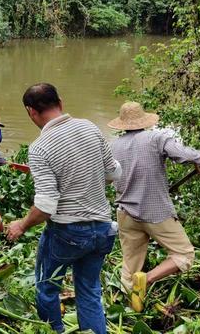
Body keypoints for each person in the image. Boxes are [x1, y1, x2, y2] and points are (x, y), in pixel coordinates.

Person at [7, 83, 121, 334]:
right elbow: (114, 172)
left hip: (67, 234)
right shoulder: (90, 127)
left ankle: (54, 331)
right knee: (90, 291)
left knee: (47, 288)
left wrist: (21, 225)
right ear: (61, 101)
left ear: (30, 112)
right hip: (102, 229)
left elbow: (46, 206)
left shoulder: (40, 147)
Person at [108, 101, 200, 312]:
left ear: (122, 124)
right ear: (144, 120)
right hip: (155, 213)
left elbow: (105, 177)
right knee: (184, 255)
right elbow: (185, 155)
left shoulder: (113, 146)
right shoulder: (156, 138)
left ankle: (130, 306)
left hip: (125, 213)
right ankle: (147, 279)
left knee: (130, 265)